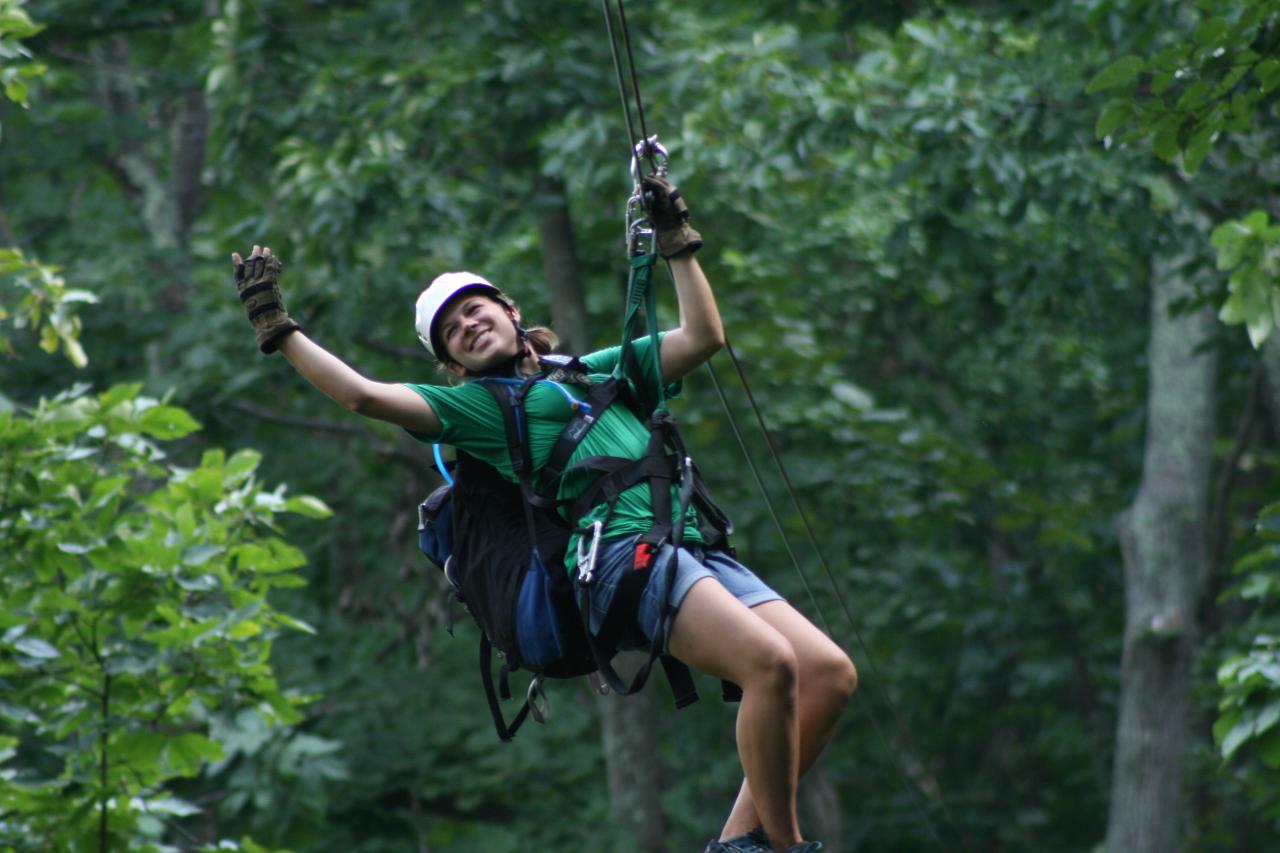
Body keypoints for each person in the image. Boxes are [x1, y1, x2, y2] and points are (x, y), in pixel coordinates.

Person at [230, 174, 856, 853]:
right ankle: (787, 845)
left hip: (684, 545)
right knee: (769, 663)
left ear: (509, 309)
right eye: (451, 331)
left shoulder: (588, 370)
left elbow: (703, 335)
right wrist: (281, 330)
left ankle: (738, 844)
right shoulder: (480, 410)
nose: (468, 324)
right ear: (449, 362)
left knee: (826, 673)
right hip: (621, 558)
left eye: (475, 309)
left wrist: (677, 243)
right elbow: (362, 396)